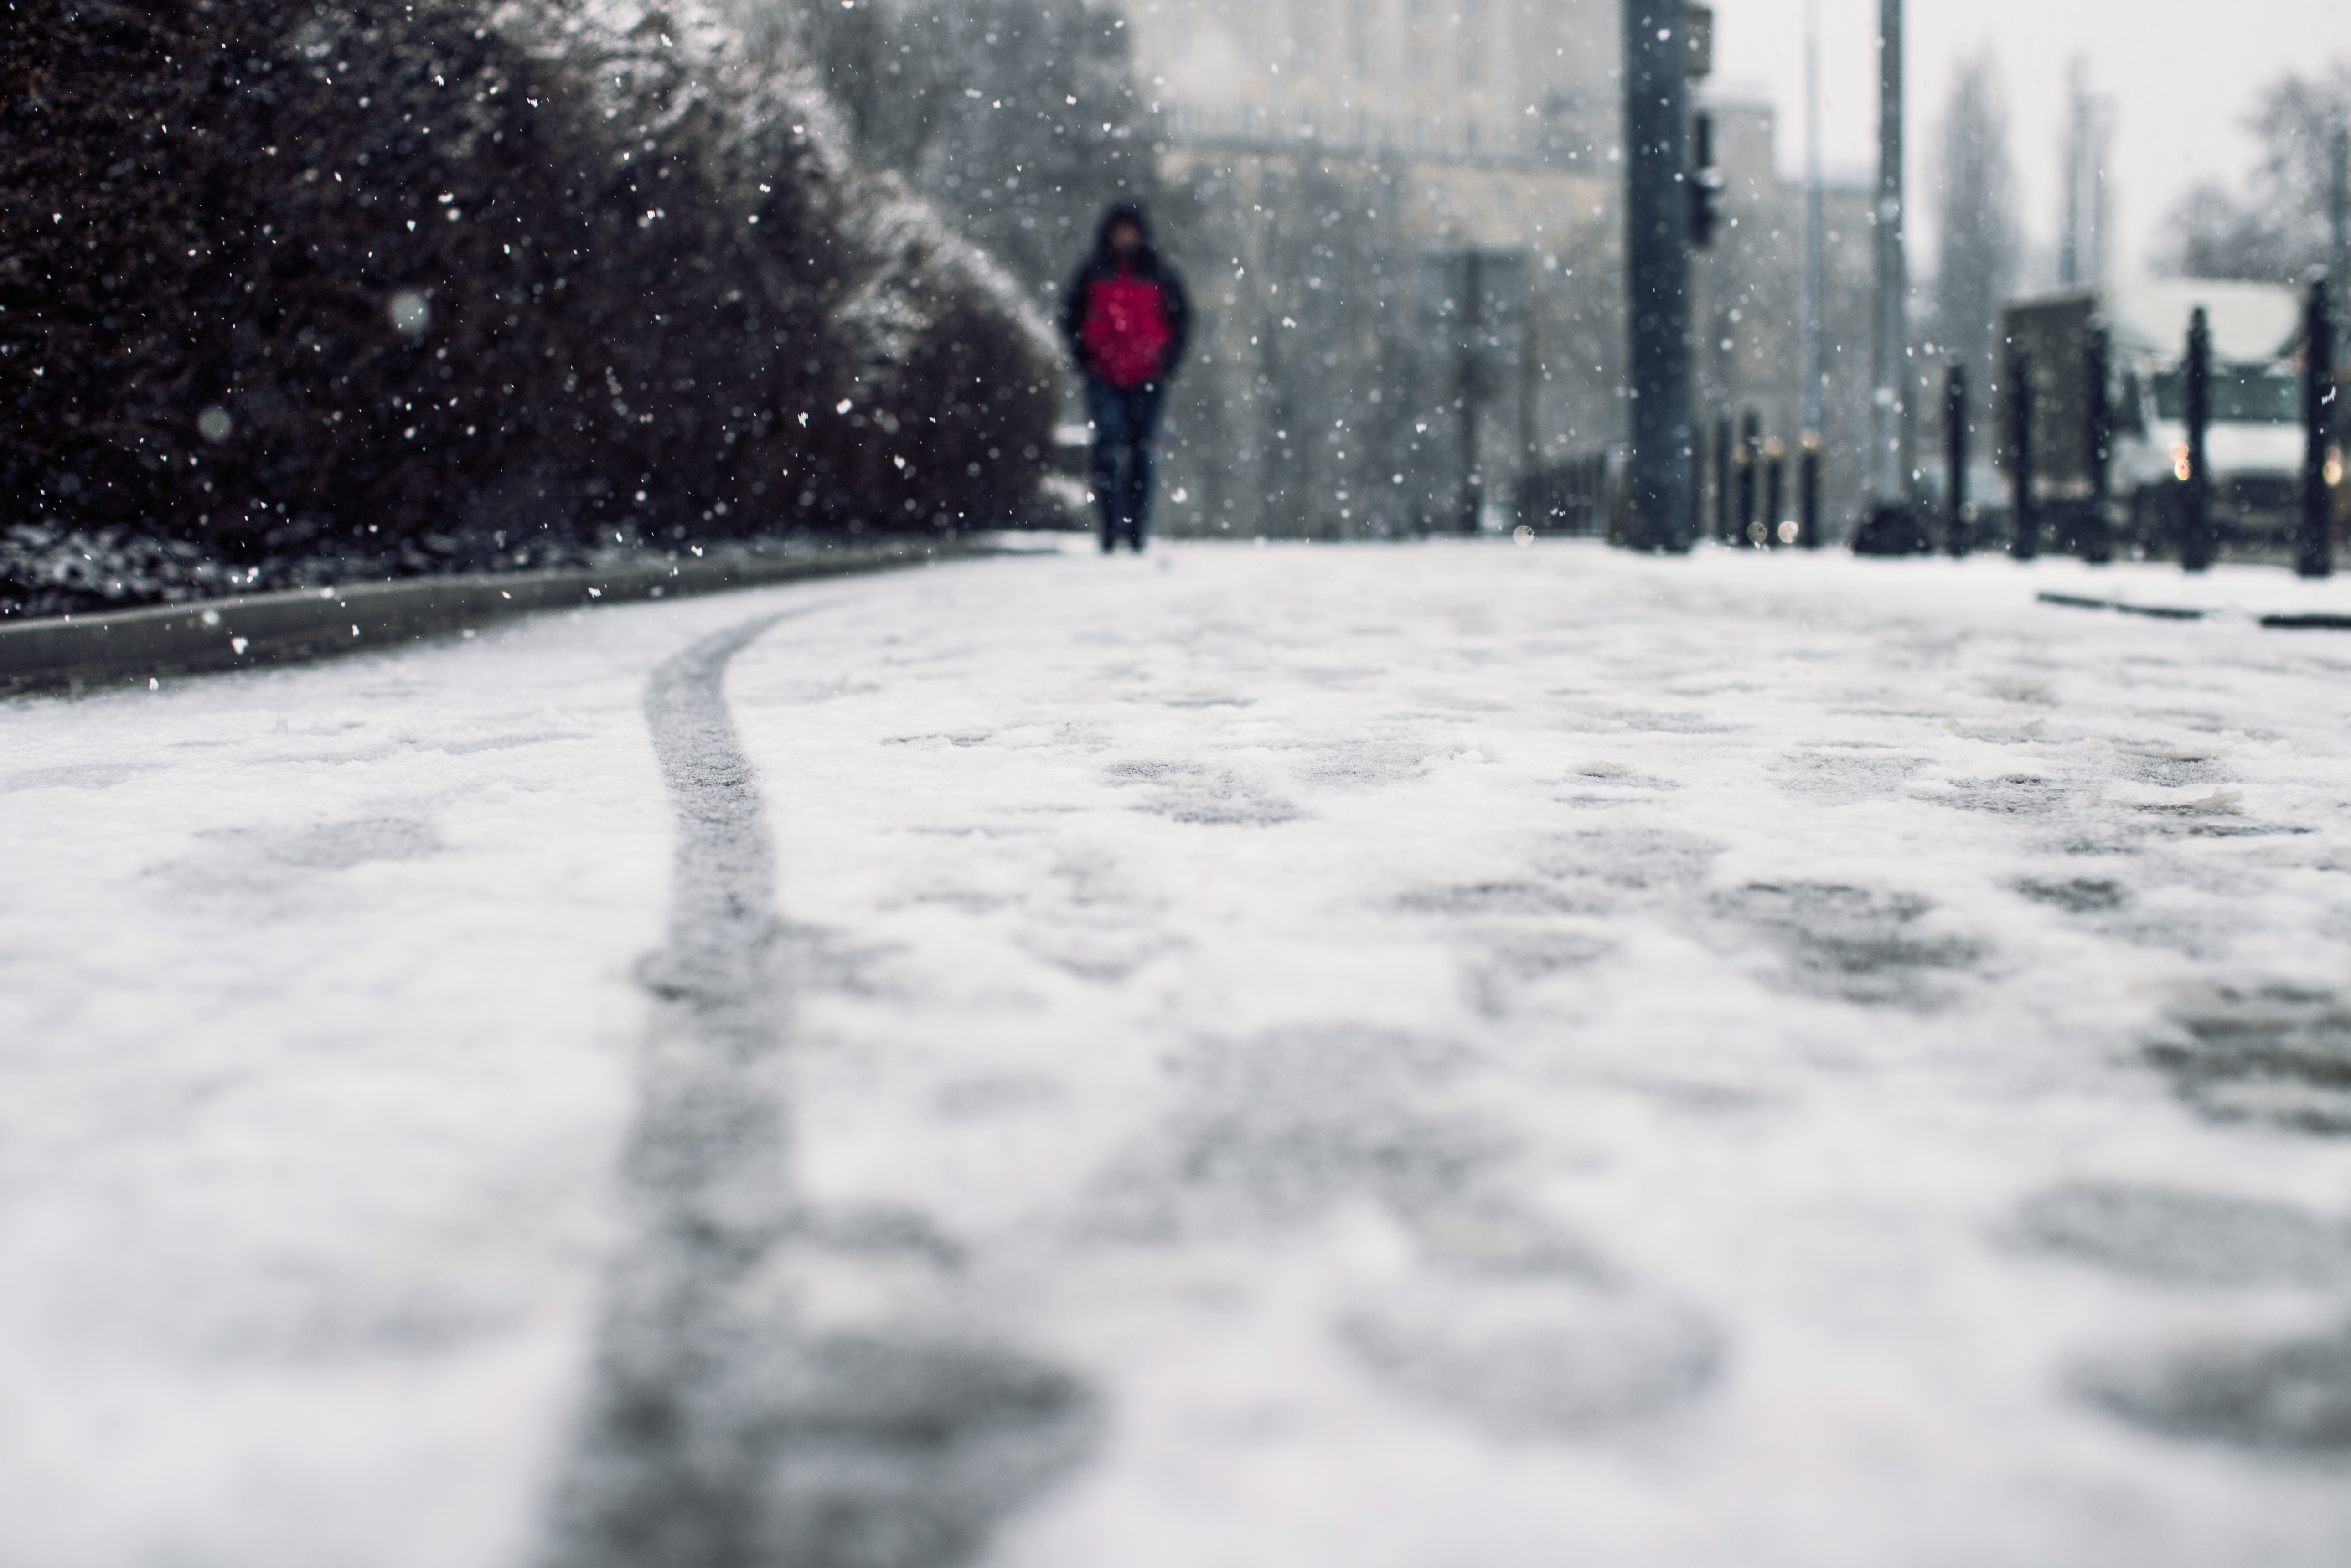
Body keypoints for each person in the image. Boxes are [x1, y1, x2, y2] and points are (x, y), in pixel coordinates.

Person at [1063, 201, 1190, 552]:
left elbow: (1181, 321)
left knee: (1140, 453)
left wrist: (1167, 364)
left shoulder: (1160, 274)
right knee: (1106, 450)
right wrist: (1085, 358)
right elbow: (1071, 316)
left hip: (1148, 375)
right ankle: (1108, 531)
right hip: (1102, 374)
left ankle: (1136, 533)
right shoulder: (1092, 272)